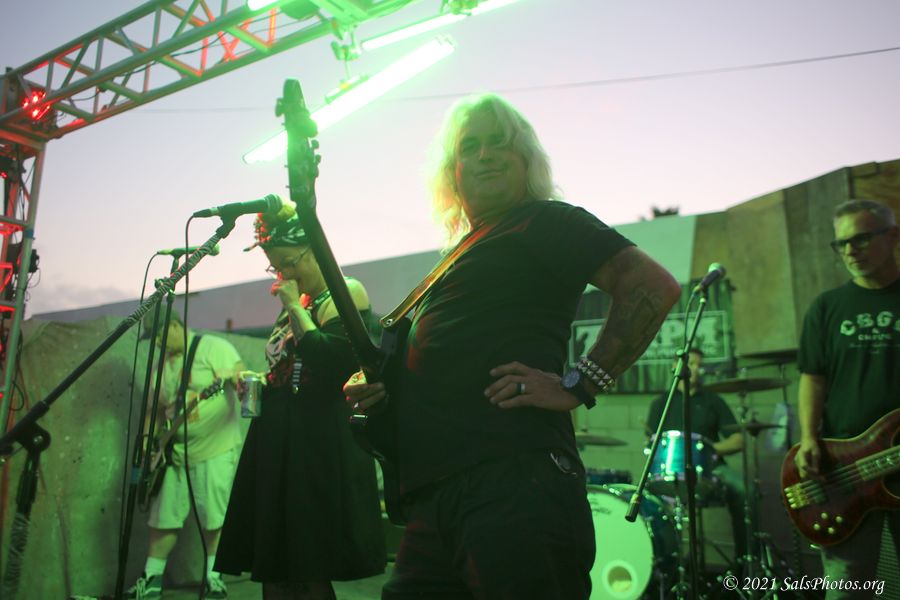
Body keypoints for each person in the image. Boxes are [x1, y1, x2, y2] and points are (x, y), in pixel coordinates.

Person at [344, 93, 681, 600]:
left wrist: (579, 382)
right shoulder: (455, 256)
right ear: (453, 174)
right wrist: (380, 389)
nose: (485, 155)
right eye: (470, 147)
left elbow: (652, 285)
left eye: (499, 142)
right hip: (436, 499)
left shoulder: (545, 221)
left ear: (526, 160)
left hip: (514, 483)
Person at [214, 213, 386, 600]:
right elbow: (289, 364)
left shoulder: (344, 291)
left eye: (290, 262)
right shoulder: (303, 300)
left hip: (314, 439)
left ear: (315, 250)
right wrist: (262, 380)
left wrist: (293, 306)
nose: (284, 274)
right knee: (276, 561)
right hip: (278, 436)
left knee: (307, 560)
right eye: (276, 266)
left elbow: (332, 361)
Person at [795, 198, 900, 599]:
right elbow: (813, 378)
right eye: (841, 243)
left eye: (861, 238)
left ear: (893, 236)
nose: (850, 250)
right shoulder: (827, 307)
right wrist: (808, 437)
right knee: (847, 586)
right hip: (845, 469)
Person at [129, 312, 245, 599]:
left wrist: (237, 377)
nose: (158, 343)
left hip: (214, 447)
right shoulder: (162, 366)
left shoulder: (213, 347)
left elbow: (239, 372)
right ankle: (151, 578)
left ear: (175, 325)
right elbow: (156, 409)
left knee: (214, 516)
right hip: (174, 453)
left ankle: (213, 578)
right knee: (163, 516)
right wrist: (148, 441)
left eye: (159, 336)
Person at [644, 348, 749, 565]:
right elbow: (652, 443)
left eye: (699, 365)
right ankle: (663, 565)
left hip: (710, 468)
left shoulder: (713, 401)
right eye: (690, 363)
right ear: (675, 366)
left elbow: (738, 440)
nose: (695, 369)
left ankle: (745, 561)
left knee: (743, 491)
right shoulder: (661, 403)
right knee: (644, 500)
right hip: (670, 471)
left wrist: (708, 450)